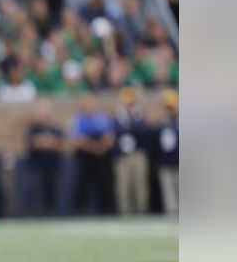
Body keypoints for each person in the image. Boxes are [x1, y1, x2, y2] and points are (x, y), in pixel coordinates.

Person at [71, 95, 116, 214]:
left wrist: (101, 147)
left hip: (103, 157)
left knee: (105, 184)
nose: (89, 107)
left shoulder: (102, 118)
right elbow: (77, 139)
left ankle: (107, 210)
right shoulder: (79, 119)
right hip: (85, 157)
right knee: (82, 185)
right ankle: (80, 211)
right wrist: (93, 147)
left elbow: (110, 136)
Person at [112, 87, 150, 215]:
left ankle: (142, 211)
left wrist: (130, 123)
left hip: (137, 154)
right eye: (126, 103)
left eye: (131, 103)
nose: (128, 106)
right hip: (122, 156)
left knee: (139, 184)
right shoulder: (117, 116)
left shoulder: (139, 116)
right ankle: (125, 212)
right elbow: (115, 132)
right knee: (123, 185)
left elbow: (142, 132)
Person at [25, 99, 66, 216]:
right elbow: (33, 143)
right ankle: (35, 214)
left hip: (52, 164)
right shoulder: (33, 128)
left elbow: (59, 144)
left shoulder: (55, 128)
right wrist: (48, 142)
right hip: (36, 164)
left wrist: (43, 142)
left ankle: (51, 213)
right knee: (35, 190)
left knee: (52, 190)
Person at [155, 89, 179, 215]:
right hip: (165, 161)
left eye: (171, 107)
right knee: (168, 191)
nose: (170, 110)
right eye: (167, 107)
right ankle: (171, 212)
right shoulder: (161, 122)